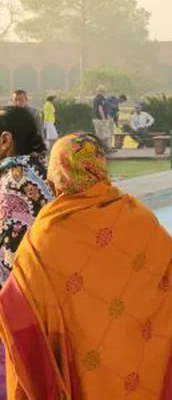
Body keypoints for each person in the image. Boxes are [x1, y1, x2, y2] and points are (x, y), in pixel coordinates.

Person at [0, 133, 172, 399]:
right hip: (127, 361)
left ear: (58, 171)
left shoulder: (47, 233)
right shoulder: (135, 215)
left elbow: (15, 301)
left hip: (77, 365)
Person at [0, 106, 53, 396]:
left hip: (16, 308)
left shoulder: (11, 184)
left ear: (5, 140)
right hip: (50, 304)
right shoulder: (47, 170)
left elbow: (8, 258)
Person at [91, 85, 114, 149]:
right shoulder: (101, 98)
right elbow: (100, 108)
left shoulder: (95, 98)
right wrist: (104, 118)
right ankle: (107, 148)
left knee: (99, 134)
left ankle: (100, 148)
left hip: (95, 118)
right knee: (106, 134)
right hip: (100, 119)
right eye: (104, 91)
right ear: (102, 91)